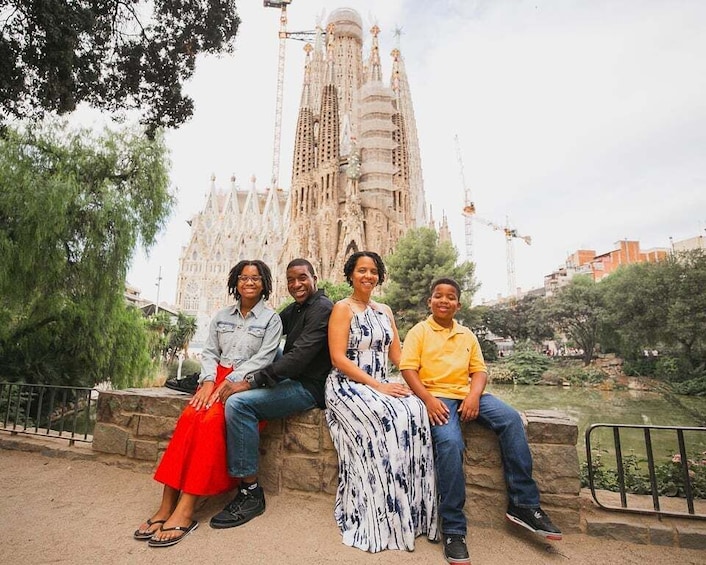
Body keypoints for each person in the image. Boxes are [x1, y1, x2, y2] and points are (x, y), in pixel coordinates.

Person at [399, 277, 562, 565]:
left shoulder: (467, 335)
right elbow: (409, 370)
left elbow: (480, 371)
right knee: (450, 443)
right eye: (438, 296)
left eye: (450, 297)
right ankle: (453, 529)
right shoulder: (419, 332)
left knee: (511, 419)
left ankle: (523, 504)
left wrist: (474, 397)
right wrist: (428, 400)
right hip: (437, 398)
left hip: (467, 395)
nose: (444, 301)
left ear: (458, 305)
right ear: (430, 301)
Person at [133, 260, 282, 548]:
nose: (249, 282)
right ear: (235, 282)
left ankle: (186, 508)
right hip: (216, 378)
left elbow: (263, 360)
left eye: (255, 278)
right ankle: (166, 505)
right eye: (243, 278)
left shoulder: (271, 320)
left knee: (212, 422)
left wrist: (230, 382)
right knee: (190, 419)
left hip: (245, 382)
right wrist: (209, 381)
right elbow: (211, 352)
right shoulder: (222, 316)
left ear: (264, 283)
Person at [325, 251, 438, 553]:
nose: (368, 276)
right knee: (389, 416)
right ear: (350, 274)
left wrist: (418, 384)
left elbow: (398, 356)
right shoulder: (342, 308)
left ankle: (410, 514)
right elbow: (338, 358)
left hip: (382, 383)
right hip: (348, 384)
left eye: (373, 271)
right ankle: (380, 513)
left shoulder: (384, 310)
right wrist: (378, 385)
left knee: (415, 409)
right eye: (362, 270)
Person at [208, 258, 334, 528]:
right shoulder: (298, 308)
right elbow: (268, 325)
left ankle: (250, 492)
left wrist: (250, 382)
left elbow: (298, 359)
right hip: (291, 377)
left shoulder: (321, 309)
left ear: (314, 277)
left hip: (307, 387)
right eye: (290, 280)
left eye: (302, 278)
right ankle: (202, 378)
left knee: (239, 405)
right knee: (263, 348)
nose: (296, 285)